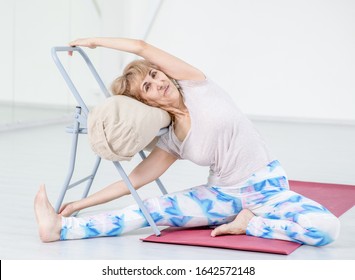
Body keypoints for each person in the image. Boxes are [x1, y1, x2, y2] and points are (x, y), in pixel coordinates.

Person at [34, 37, 340, 245]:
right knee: (150, 209)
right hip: (221, 196)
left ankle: (253, 224)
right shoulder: (171, 140)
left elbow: (142, 47)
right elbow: (134, 181)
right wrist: (80, 204)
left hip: (267, 186)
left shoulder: (195, 83)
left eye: (155, 74)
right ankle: (60, 230)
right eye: (148, 86)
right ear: (146, 101)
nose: (159, 82)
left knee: (327, 228)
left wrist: (94, 41)